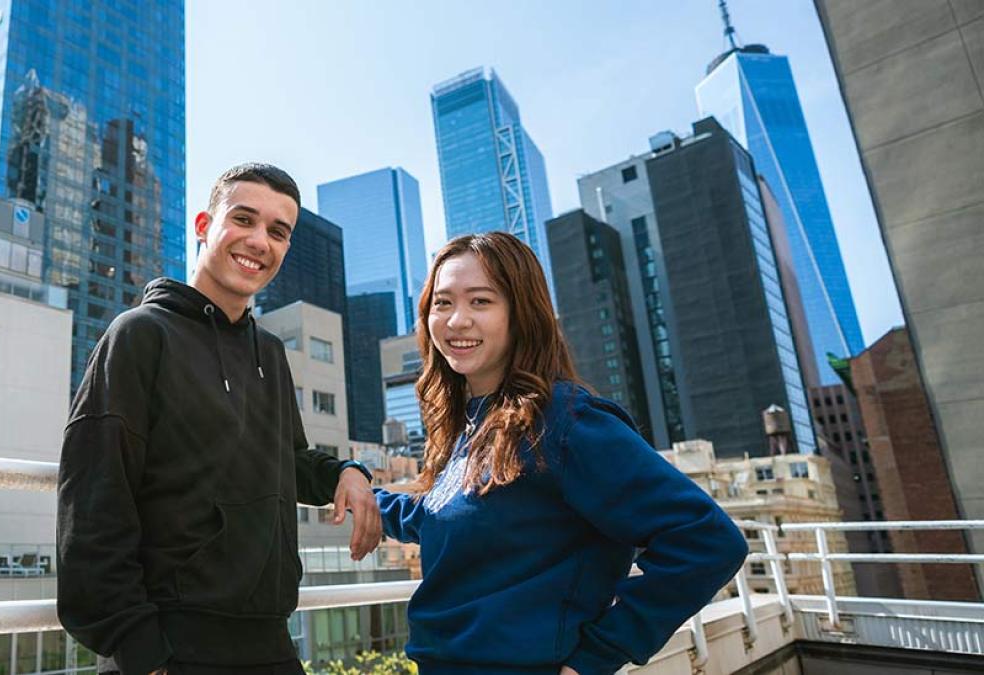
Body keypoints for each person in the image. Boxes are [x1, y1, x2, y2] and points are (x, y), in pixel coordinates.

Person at [57, 163, 382, 675]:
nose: (260, 241)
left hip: (270, 642)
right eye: (244, 220)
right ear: (205, 226)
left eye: (278, 231)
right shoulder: (139, 335)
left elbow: (289, 461)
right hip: (169, 647)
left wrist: (345, 472)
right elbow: (94, 500)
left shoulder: (269, 353)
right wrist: (141, 652)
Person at [375, 232, 749, 675]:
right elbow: (443, 517)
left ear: (521, 313)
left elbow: (709, 541)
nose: (457, 320)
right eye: (442, 303)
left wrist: (596, 657)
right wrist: (355, 490)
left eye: (481, 301)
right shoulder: (473, 426)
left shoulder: (564, 421)